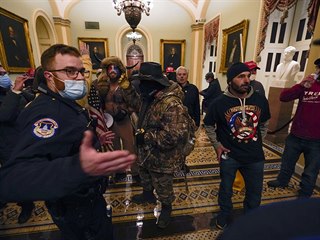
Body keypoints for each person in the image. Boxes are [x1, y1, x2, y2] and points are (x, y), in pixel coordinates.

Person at [0, 44, 136, 240]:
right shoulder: (46, 113)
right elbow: (15, 176)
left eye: (80, 71)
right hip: (74, 207)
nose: (80, 77)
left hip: (87, 199)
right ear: (49, 76)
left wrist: (96, 140)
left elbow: (65, 142)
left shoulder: (64, 103)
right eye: (70, 71)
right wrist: (79, 167)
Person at [204, 62, 271, 229]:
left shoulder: (259, 99)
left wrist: (258, 140)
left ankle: (251, 217)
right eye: (241, 76)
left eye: (248, 76)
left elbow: (264, 122)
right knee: (226, 189)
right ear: (230, 80)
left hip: (254, 156)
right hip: (230, 155)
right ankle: (225, 214)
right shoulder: (219, 102)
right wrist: (217, 145)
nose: (246, 80)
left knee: (255, 192)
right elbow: (209, 124)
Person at [131, 62, 190, 229]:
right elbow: (134, 104)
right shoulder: (149, 96)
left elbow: (174, 135)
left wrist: (146, 137)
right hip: (146, 152)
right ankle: (147, 194)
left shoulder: (171, 103)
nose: (140, 85)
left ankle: (166, 209)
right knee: (145, 175)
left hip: (162, 156)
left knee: (163, 186)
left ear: (154, 83)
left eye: (143, 81)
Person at [267, 58, 320, 198]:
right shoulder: (308, 85)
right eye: (317, 68)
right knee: (287, 162)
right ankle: (282, 181)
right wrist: (301, 85)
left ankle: (305, 192)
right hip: (296, 135)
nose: (317, 71)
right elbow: (284, 97)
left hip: (317, 140)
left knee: (311, 170)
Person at [96, 56, 141, 182]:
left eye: (114, 67)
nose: (112, 70)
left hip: (124, 120)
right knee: (114, 148)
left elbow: (136, 103)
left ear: (120, 69)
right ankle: (119, 172)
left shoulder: (126, 85)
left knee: (130, 147)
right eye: (109, 68)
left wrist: (128, 90)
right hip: (109, 122)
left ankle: (136, 173)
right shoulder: (102, 85)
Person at [0, 65, 36, 224]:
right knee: (14, 177)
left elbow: (31, 99)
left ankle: (27, 203)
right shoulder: (11, 93)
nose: (4, 75)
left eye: (4, 72)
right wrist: (15, 91)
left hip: (23, 142)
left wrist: (23, 90)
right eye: (0, 74)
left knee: (23, 177)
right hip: (7, 144)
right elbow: (5, 115)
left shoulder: (12, 91)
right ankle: (25, 204)